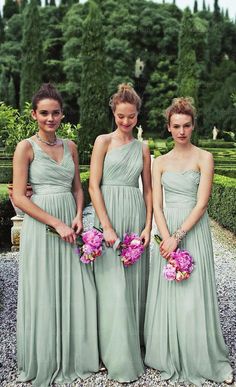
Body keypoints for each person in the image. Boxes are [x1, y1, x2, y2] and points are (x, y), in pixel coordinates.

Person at [13, 83, 99, 386]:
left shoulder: (71, 147)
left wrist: (76, 216)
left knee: (75, 286)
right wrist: (56, 223)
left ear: (63, 115)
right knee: (44, 286)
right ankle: (45, 356)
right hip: (42, 227)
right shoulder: (25, 147)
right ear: (35, 114)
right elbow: (21, 198)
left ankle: (75, 353)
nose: (50, 118)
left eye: (56, 113)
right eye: (44, 113)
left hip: (69, 223)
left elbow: (78, 188)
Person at [144, 97, 233, 386]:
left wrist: (178, 237)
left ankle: (199, 352)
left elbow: (202, 203)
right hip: (167, 229)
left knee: (194, 291)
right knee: (170, 291)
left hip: (192, 232)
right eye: (176, 126)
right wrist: (165, 238)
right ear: (168, 128)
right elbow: (157, 205)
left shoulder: (204, 157)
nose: (181, 131)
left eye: (186, 126)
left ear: (193, 126)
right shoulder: (161, 163)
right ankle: (169, 349)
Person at [89, 83, 152, 382]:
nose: (126, 122)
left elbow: (149, 190)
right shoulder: (102, 141)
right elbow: (93, 186)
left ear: (138, 116)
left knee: (133, 285)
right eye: (120, 116)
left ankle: (135, 344)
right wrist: (107, 226)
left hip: (135, 215)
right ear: (113, 113)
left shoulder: (143, 148)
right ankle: (112, 352)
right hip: (109, 216)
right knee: (111, 286)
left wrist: (148, 227)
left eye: (131, 117)